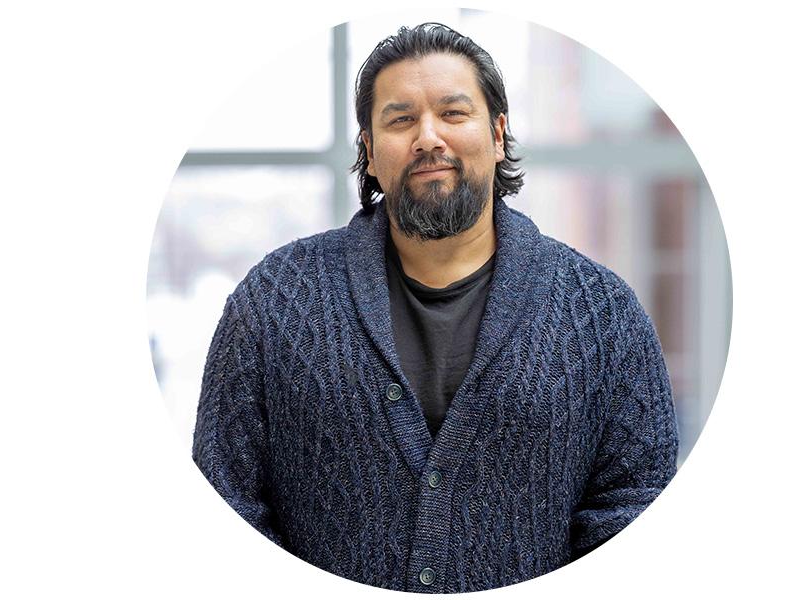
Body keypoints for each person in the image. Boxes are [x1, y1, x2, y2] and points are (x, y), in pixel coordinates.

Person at [192, 22, 679, 593]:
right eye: (401, 120)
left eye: (453, 113)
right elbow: (222, 504)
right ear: (369, 152)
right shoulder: (274, 301)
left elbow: (635, 512)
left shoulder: (602, 313)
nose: (428, 137)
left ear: (498, 135)